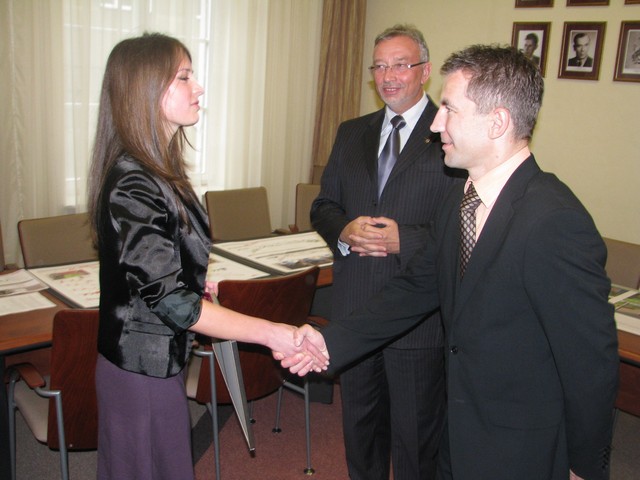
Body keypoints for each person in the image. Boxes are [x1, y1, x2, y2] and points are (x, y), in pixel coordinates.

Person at [288, 44, 619, 480]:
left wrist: (584, 467)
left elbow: (589, 363)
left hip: (520, 447)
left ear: (497, 122)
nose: (435, 123)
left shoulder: (554, 220)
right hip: (458, 430)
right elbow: (416, 289)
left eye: (449, 109)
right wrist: (332, 341)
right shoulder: (461, 199)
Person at [87, 33, 328, 480]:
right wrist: (273, 333)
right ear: (145, 89)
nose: (198, 87)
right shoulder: (133, 182)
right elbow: (170, 300)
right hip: (140, 369)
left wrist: (191, 280)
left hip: (158, 361)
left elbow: (157, 272)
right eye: (184, 77)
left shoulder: (157, 170)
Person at [310, 24, 461, 480]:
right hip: (355, 309)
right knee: (360, 434)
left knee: (416, 442)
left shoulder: (451, 135)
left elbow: (464, 227)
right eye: (379, 66)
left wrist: (405, 240)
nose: (388, 76)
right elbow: (323, 205)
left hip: (417, 318)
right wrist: (344, 229)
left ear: (425, 71)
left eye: (400, 65)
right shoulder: (351, 131)